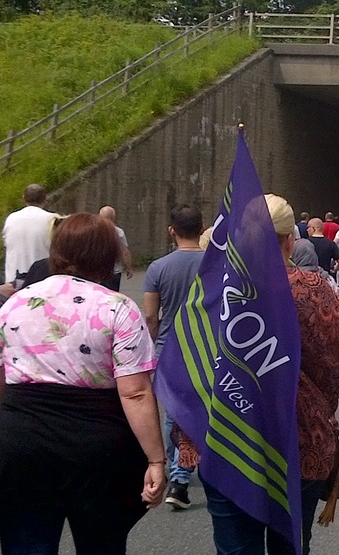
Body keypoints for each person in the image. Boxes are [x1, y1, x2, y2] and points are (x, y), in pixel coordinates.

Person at [195, 195, 339, 555]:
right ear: (290, 240)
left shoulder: (211, 289)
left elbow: (189, 357)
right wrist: (318, 394)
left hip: (225, 435)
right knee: (290, 546)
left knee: (236, 549)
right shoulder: (311, 290)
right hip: (297, 441)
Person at [0, 213, 166, 552]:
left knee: (25, 543)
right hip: (97, 450)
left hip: (20, 444)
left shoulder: (13, 304)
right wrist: (155, 459)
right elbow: (134, 392)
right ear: (108, 256)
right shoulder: (118, 308)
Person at [143, 204, 206, 511]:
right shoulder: (215, 265)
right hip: (208, 348)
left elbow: (151, 316)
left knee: (175, 413)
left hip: (170, 348)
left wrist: (150, 347)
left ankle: (178, 476)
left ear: (172, 230)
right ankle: (196, 469)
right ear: (201, 228)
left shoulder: (158, 268)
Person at [3, 183, 55, 288]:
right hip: (43, 280)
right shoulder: (52, 219)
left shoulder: (11, 219)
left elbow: (7, 244)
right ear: (45, 199)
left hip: (13, 282)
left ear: (24, 198)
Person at [99, 206, 134, 292]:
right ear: (113, 217)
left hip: (96, 272)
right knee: (112, 298)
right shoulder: (118, 232)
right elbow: (124, 252)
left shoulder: (92, 231)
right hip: (113, 272)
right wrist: (129, 267)